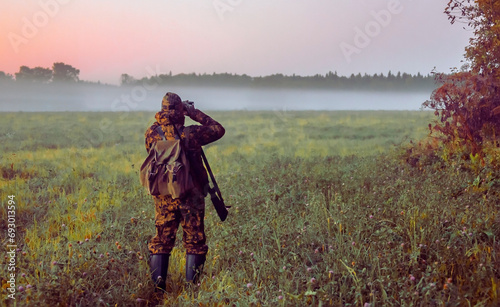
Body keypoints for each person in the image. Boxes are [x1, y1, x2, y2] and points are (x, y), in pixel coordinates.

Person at [144, 92, 225, 290]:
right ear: (181, 110)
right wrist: (193, 112)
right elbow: (218, 129)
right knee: (195, 240)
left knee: (162, 239)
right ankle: (191, 289)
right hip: (191, 194)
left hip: (164, 194)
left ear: (162, 109)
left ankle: (159, 288)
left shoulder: (151, 133)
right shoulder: (192, 134)